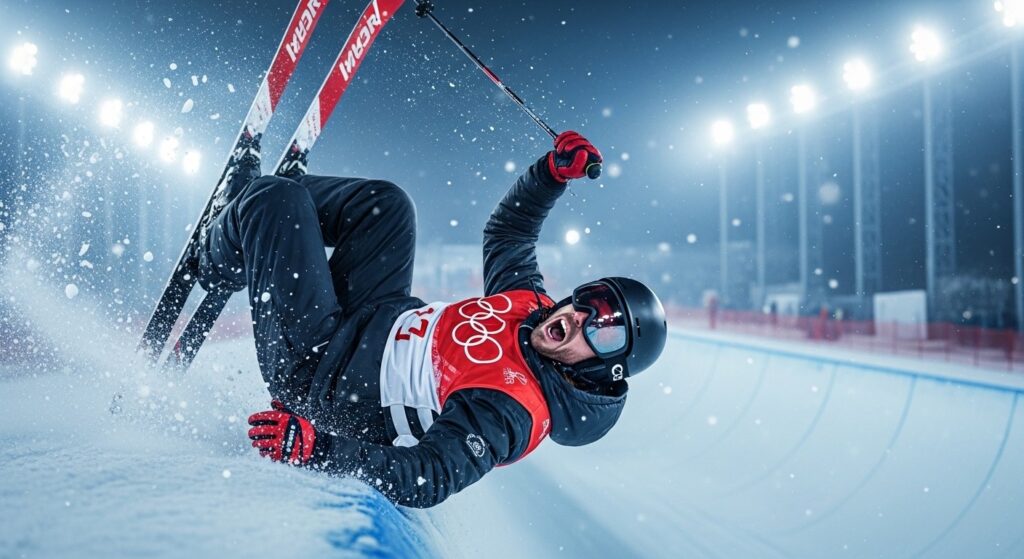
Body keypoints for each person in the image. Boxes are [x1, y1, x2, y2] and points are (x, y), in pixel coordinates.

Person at [195, 129, 668, 508]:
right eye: (591, 301)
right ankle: (267, 207)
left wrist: (319, 449)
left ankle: (215, 252)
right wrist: (549, 175)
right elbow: (509, 233)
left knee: (274, 202)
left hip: (322, 375)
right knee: (386, 205)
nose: (581, 318)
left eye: (603, 333)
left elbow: (428, 476)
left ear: (601, 368)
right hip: (373, 316)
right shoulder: (529, 306)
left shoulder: (512, 408)